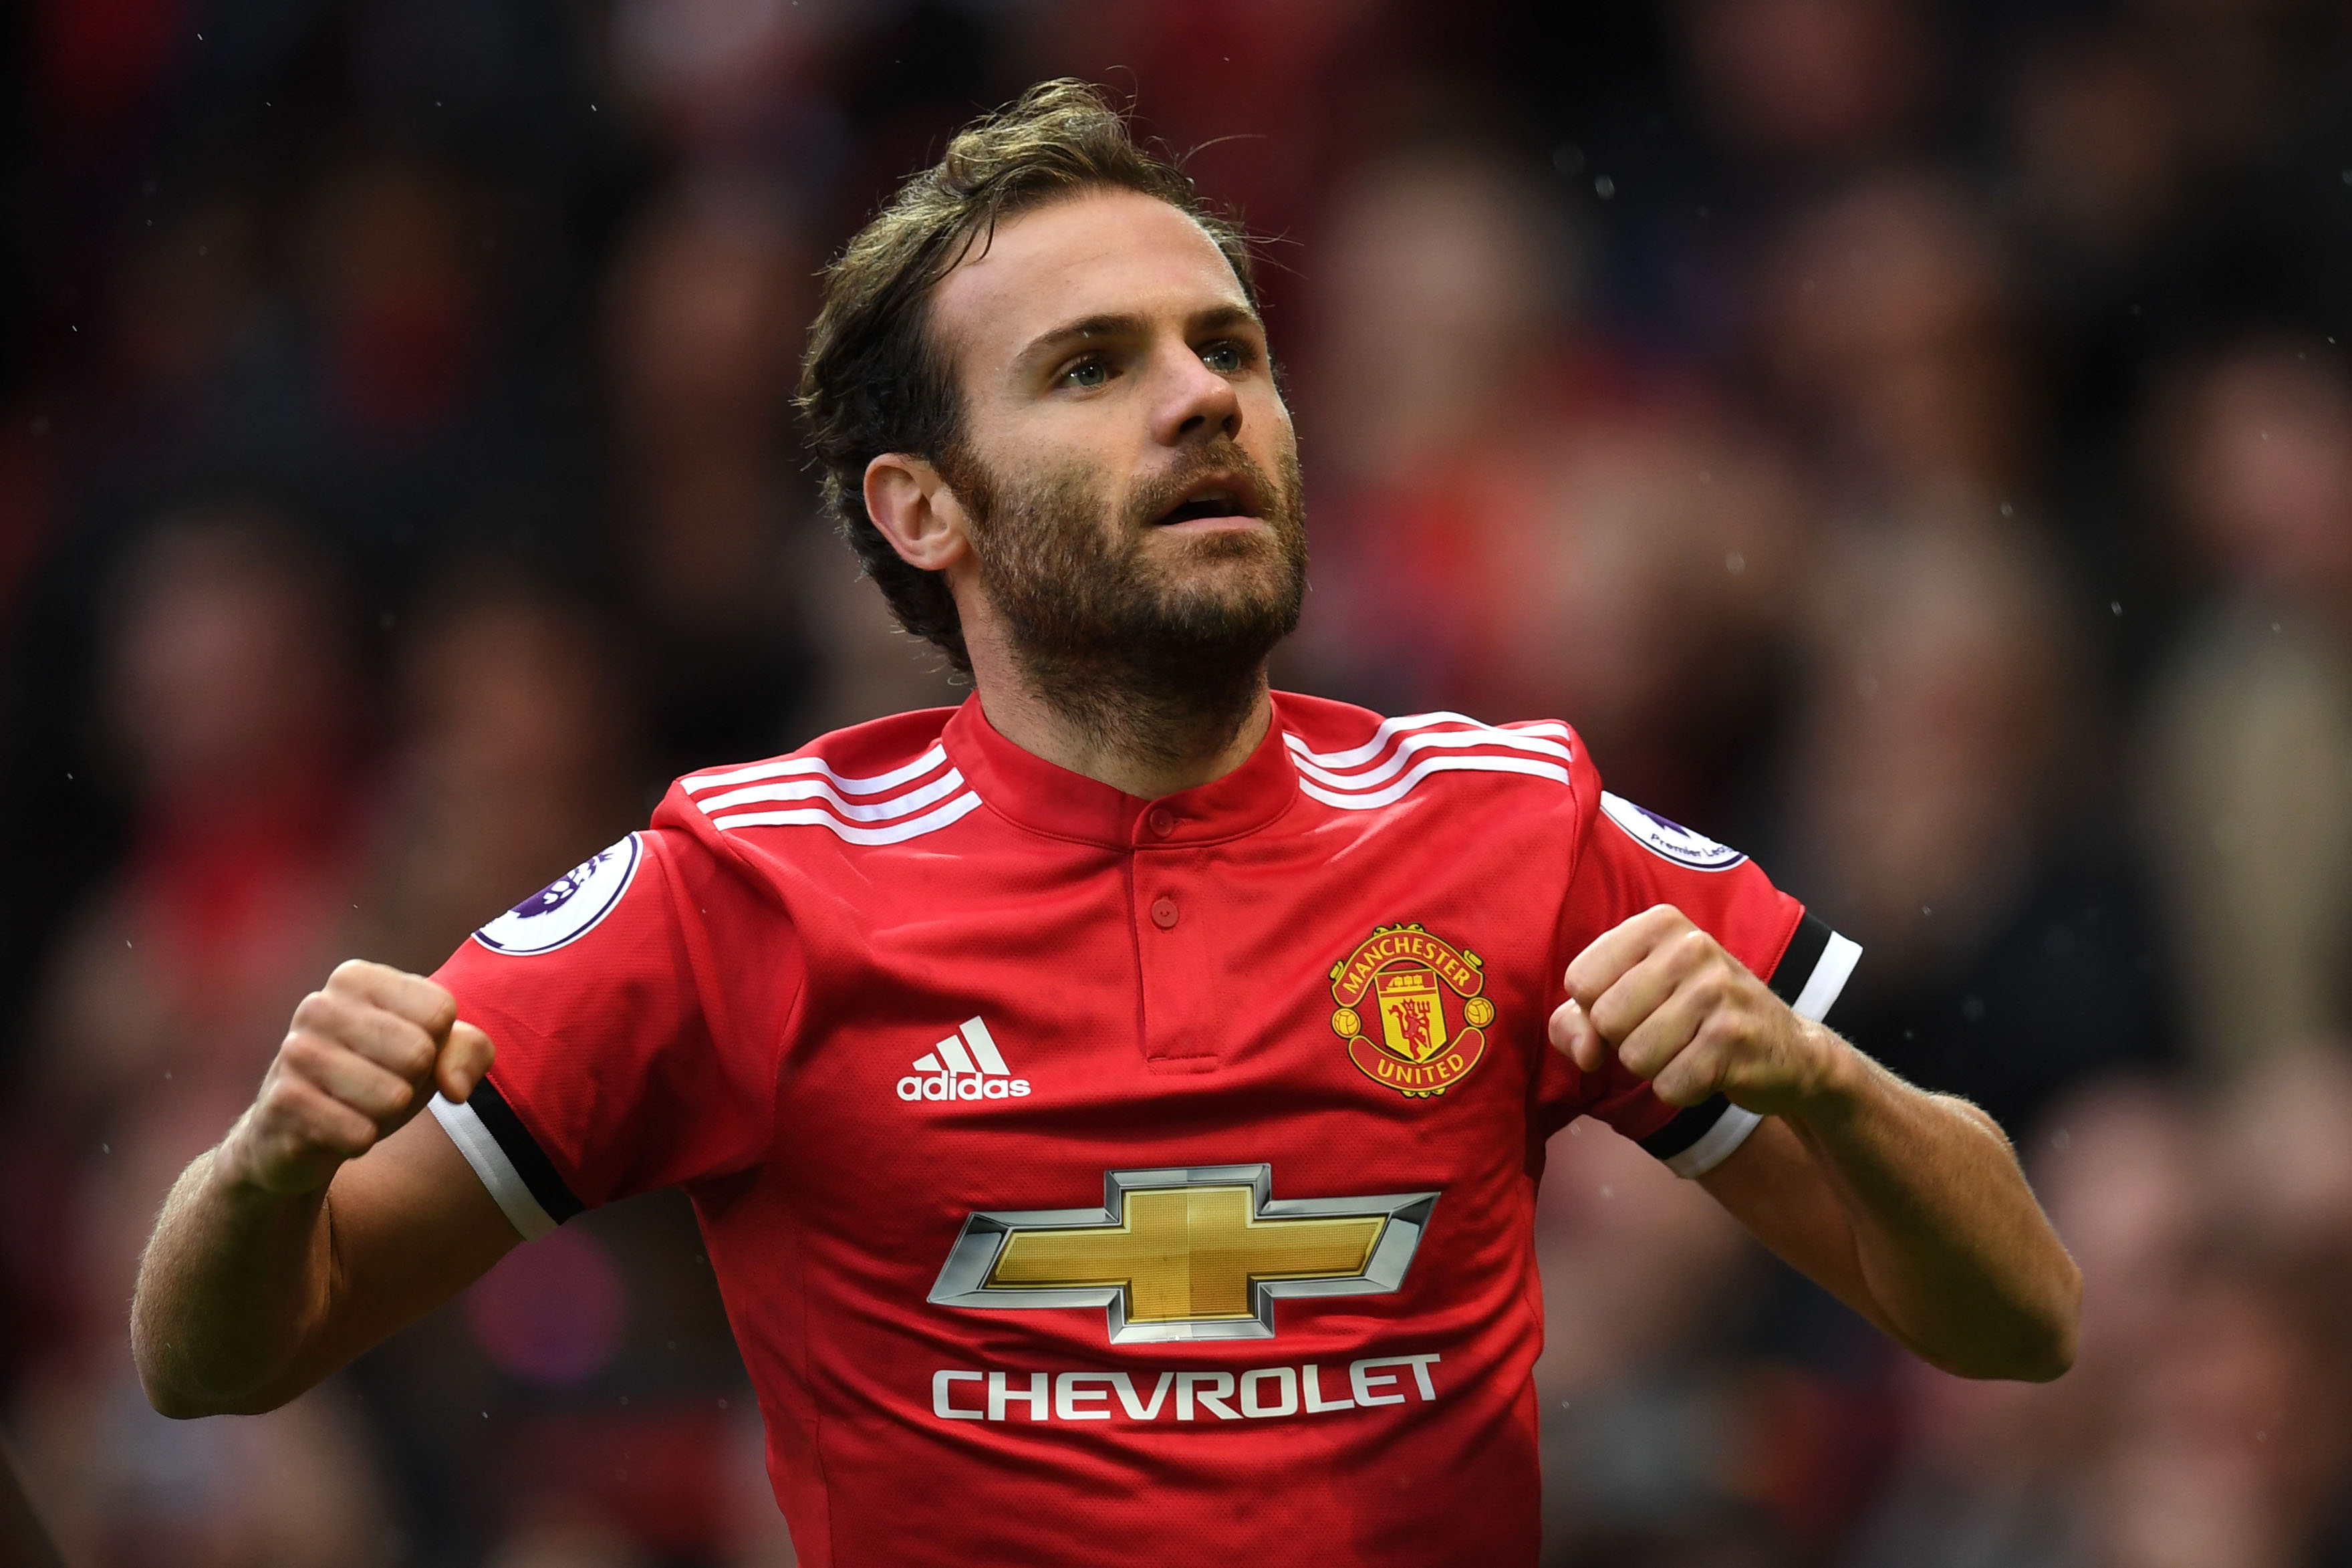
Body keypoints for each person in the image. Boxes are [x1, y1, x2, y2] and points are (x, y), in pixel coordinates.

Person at [130, 81, 2079, 1567]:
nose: (1202, 399)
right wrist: (266, 1163)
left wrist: (1820, 1087)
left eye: (1226, 345)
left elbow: (2018, 1315)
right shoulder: (742, 885)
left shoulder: (1521, 822)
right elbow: (218, 1353)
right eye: (1092, 367)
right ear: (922, 509)